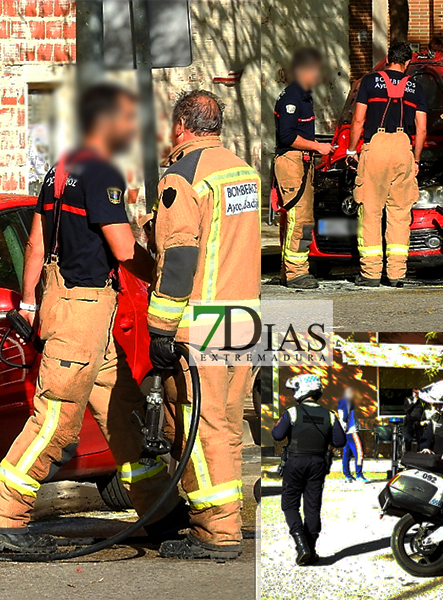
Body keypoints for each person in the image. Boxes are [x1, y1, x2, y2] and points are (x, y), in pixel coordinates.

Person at [0, 83, 184, 553]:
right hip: (84, 310)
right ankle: (3, 515)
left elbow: (35, 244)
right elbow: (124, 248)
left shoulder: (59, 170)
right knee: (56, 420)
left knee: (121, 411)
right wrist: (167, 279)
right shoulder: (101, 173)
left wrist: (29, 302)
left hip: (69, 307)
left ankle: (160, 509)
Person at [147, 89, 260, 559]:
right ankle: (227, 518)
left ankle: (217, 532)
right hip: (245, 317)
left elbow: (180, 257)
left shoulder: (183, 175)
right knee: (228, 425)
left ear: (180, 126)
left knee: (199, 423)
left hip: (202, 319)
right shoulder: (243, 171)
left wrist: (160, 327)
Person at [346, 41, 428, 287]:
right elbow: (422, 129)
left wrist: (352, 150)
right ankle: (396, 274)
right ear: (407, 62)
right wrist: (415, 159)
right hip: (403, 147)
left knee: (370, 211)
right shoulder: (415, 87)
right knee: (400, 214)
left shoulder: (370, 82)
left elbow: (358, 119)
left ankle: (371, 274)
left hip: (376, 146)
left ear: (388, 59)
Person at [273, 48, 335, 289]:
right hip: (291, 162)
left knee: (301, 218)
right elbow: (287, 136)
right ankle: (296, 272)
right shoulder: (292, 98)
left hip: (301, 162)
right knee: (300, 218)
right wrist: (317, 147)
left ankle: (289, 269)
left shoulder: (304, 97)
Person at [272, 374, 346, 566]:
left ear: (302, 390)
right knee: (312, 507)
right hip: (318, 464)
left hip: (295, 462)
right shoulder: (330, 415)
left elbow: (277, 435)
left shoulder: (292, 412)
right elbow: (340, 441)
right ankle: (311, 549)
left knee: (289, 504)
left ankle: (301, 545)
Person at [336, 387, 367, 483]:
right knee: (359, 452)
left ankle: (347, 475)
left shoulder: (342, 402)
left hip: (347, 431)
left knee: (347, 453)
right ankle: (359, 475)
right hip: (352, 431)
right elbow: (346, 416)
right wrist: (347, 426)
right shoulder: (348, 402)